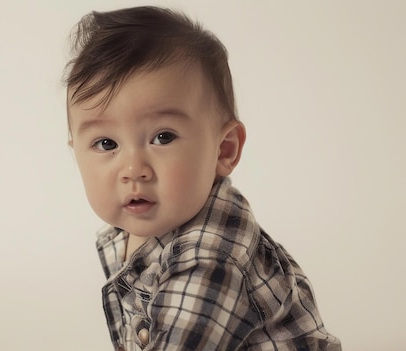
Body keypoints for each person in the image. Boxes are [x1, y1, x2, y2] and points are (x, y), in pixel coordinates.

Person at [63, 6, 341, 351]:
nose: (133, 168)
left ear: (223, 150)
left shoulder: (210, 260)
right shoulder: (138, 235)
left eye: (163, 137)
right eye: (107, 144)